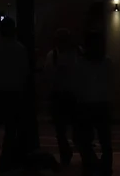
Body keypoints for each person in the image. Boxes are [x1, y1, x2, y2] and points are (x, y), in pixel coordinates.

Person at [0, 18, 30, 173]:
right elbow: (24, 72)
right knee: (10, 130)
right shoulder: (19, 48)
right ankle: (5, 158)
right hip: (13, 93)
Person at [72, 27, 114, 174]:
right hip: (102, 103)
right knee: (105, 139)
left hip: (85, 104)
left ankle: (91, 163)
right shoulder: (106, 62)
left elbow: (77, 84)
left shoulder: (81, 63)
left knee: (84, 139)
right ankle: (106, 165)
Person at [48, 28, 80, 165]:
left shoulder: (55, 55)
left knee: (66, 129)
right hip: (66, 95)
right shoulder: (77, 53)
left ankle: (67, 153)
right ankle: (67, 153)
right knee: (65, 129)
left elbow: (48, 75)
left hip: (68, 95)